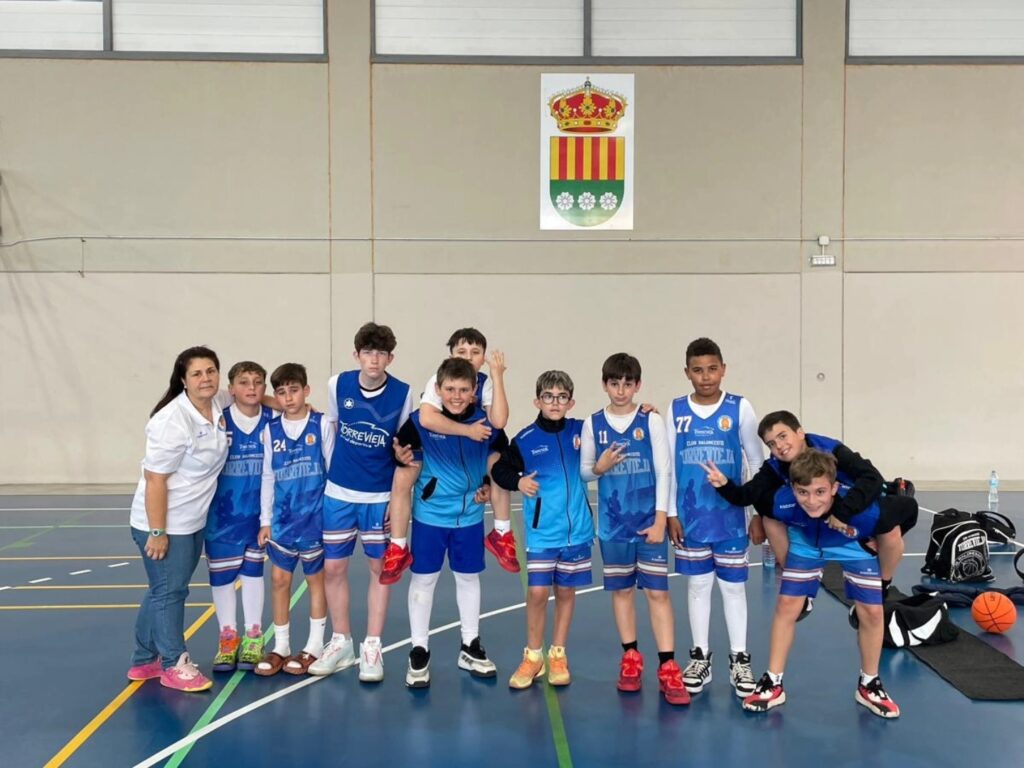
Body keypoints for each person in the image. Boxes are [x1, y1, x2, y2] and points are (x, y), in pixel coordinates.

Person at [742, 450, 900, 718]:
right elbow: (761, 504)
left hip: (851, 543)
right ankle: (773, 682)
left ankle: (869, 684)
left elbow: (903, 517)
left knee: (873, 612)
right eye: (803, 492)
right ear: (792, 489)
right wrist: (757, 518)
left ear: (834, 488)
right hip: (806, 545)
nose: (812, 501)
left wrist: (881, 553)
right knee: (786, 605)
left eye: (820, 492)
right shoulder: (782, 501)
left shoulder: (866, 512)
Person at [708, 410, 917, 596]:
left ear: (800, 432)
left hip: (850, 507)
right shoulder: (774, 466)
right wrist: (724, 485)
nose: (779, 446)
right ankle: (796, 581)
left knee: (891, 531)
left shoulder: (832, 450)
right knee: (769, 519)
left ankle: (883, 583)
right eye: (771, 443)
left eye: (782, 436)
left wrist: (843, 513)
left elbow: (872, 478)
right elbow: (748, 495)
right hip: (815, 514)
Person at [392, 358, 508, 688]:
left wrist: (487, 482)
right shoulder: (421, 421)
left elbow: (501, 457)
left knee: (468, 578)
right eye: (450, 389)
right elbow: (398, 449)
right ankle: (419, 650)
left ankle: (470, 645)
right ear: (438, 389)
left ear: (474, 392)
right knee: (424, 580)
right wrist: (397, 455)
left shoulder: (486, 423)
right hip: (430, 516)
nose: (456, 396)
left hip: (469, 516)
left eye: (463, 390)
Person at [580, 353, 689, 705]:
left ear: (638, 385)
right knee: (622, 591)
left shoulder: (650, 421)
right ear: (604, 385)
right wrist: (600, 467)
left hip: (648, 525)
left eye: (628, 384)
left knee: (658, 593)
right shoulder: (593, 423)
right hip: (614, 527)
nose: (621, 390)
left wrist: (660, 519)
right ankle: (630, 658)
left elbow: (664, 471)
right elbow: (585, 472)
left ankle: (668, 665)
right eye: (615, 383)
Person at [311, 323, 413, 682]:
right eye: (368, 352)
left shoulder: (403, 393)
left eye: (381, 353)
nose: (374, 359)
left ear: (390, 358)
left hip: (379, 497)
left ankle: (372, 646)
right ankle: (342, 642)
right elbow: (332, 429)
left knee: (378, 569)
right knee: (333, 569)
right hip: (339, 493)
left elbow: (403, 448)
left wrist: (396, 502)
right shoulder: (337, 384)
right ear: (356, 355)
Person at [666, 337, 764, 698]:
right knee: (697, 586)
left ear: (723, 370)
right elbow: (669, 466)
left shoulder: (740, 407)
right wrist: (671, 512)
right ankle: (700, 657)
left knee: (733, 588)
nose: (705, 376)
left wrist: (757, 512)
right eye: (698, 370)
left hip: (731, 516)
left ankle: (739, 659)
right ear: (687, 372)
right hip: (690, 517)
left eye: (711, 369)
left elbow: (757, 462)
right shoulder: (676, 410)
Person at [381, 328, 517, 584]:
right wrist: (468, 431)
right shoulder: (437, 380)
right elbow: (426, 419)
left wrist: (498, 376)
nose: (468, 357)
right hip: (436, 448)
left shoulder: (486, 383)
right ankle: (397, 546)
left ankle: (501, 532)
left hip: (476, 454)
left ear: (484, 358)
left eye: (475, 352)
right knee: (403, 472)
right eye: (461, 352)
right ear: (450, 356)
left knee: (499, 465)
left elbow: (499, 422)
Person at [128, 345, 228, 692]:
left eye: (211, 371)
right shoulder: (172, 420)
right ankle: (174, 664)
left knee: (163, 589)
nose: (205, 378)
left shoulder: (217, 402)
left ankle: (144, 659)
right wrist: (158, 532)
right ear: (183, 380)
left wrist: (290, 406)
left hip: (192, 518)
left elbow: (248, 394)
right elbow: (155, 479)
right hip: (164, 522)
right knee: (170, 592)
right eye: (196, 373)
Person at [492, 371, 593, 690]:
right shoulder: (525, 440)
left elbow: (617, 425)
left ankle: (558, 653)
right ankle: (533, 656)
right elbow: (499, 469)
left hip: (577, 531)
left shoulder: (583, 430)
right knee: (537, 592)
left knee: (565, 591)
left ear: (571, 402)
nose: (555, 402)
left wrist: (645, 410)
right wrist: (518, 481)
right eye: (548, 396)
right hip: (542, 533)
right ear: (537, 401)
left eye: (562, 397)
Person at [254, 364, 334, 677]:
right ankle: (281, 646)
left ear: (306, 391)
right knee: (279, 580)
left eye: (294, 390)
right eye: (282, 392)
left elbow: (333, 470)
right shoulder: (270, 430)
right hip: (283, 520)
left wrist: (333, 517)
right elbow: (267, 476)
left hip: (315, 517)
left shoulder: (321, 423)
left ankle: (314, 645)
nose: (288, 397)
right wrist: (265, 520)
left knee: (316, 581)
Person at [205, 361, 275, 673]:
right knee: (222, 577)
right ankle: (227, 637)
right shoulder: (218, 420)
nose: (251, 388)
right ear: (231, 389)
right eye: (244, 382)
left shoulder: (273, 420)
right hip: (221, 516)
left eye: (257, 382)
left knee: (253, 574)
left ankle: (254, 637)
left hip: (258, 516)